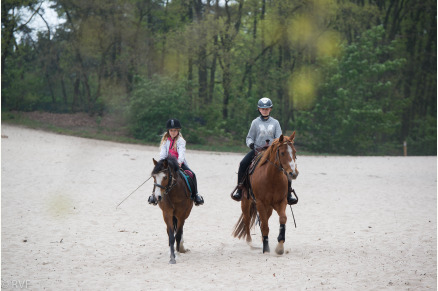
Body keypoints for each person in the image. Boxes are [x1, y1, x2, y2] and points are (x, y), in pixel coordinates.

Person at [231, 97, 297, 205]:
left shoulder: (275, 123)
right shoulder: (255, 122)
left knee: (286, 167)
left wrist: (276, 147)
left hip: (272, 152)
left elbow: (279, 138)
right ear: (259, 109)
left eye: (267, 109)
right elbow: (249, 137)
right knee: (243, 164)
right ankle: (240, 189)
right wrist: (251, 144)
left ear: (270, 109)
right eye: (262, 109)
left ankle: (289, 193)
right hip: (258, 150)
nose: (264, 110)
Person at [148, 119, 204, 206]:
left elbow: (182, 152)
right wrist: (161, 163)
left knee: (192, 174)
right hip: (167, 164)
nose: (173, 132)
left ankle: (195, 195)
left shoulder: (181, 141)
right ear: (168, 131)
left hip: (178, 163)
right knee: (158, 175)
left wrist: (180, 161)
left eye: (175, 130)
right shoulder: (165, 141)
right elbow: (163, 153)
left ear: (178, 131)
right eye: (171, 130)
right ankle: (153, 195)